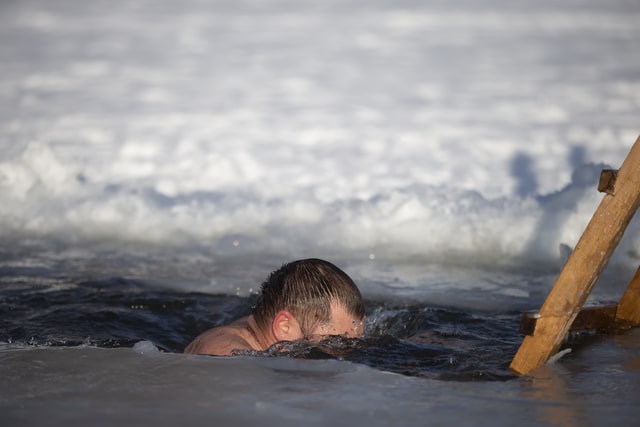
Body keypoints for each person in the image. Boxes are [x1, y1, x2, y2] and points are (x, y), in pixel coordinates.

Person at [184, 258, 366, 356]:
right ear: (284, 326)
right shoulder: (224, 356)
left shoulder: (259, 337)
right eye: (330, 343)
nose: (341, 354)